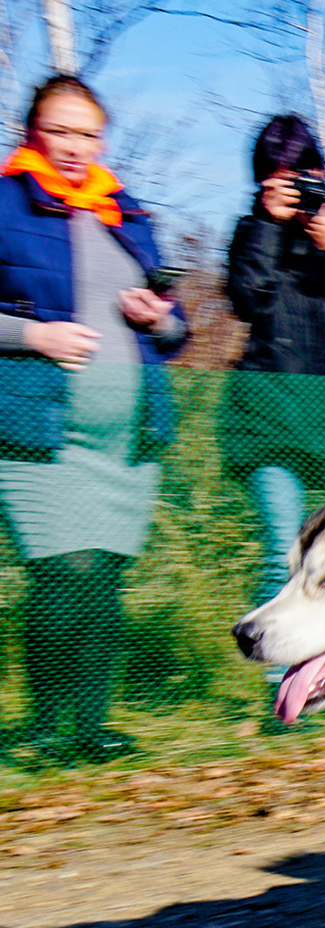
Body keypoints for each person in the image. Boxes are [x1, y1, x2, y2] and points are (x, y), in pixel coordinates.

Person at [0, 75, 187, 761]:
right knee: (64, 569)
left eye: (87, 134)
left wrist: (161, 318)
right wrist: (34, 338)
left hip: (127, 437)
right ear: (33, 134)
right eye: (61, 131)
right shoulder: (4, 203)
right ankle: (46, 729)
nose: (75, 147)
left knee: (104, 574)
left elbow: (177, 332)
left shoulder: (125, 212)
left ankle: (88, 729)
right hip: (40, 431)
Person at [224, 114, 325, 612]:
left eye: (304, 175)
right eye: (281, 178)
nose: (298, 189)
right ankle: (280, 683)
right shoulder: (251, 230)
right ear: (262, 181)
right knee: (282, 555)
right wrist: (268, 228)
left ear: (320, 171)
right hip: (270, 420)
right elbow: (245, 300)